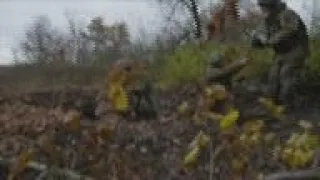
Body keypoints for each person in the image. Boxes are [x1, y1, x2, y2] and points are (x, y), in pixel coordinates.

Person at [251, 0, 310, 108]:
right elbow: (260, 35)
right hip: (281, 52)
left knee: (286, 74)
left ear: (272, 6)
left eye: (264, 6)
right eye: (261, 7)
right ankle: (272, 102)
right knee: (273, 76)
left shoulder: (287, 14)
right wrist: (257, 42)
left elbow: (290, 29)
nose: (262, 9)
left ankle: (288, 104)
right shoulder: (267, 20)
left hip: (296, 49)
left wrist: (271, 40)